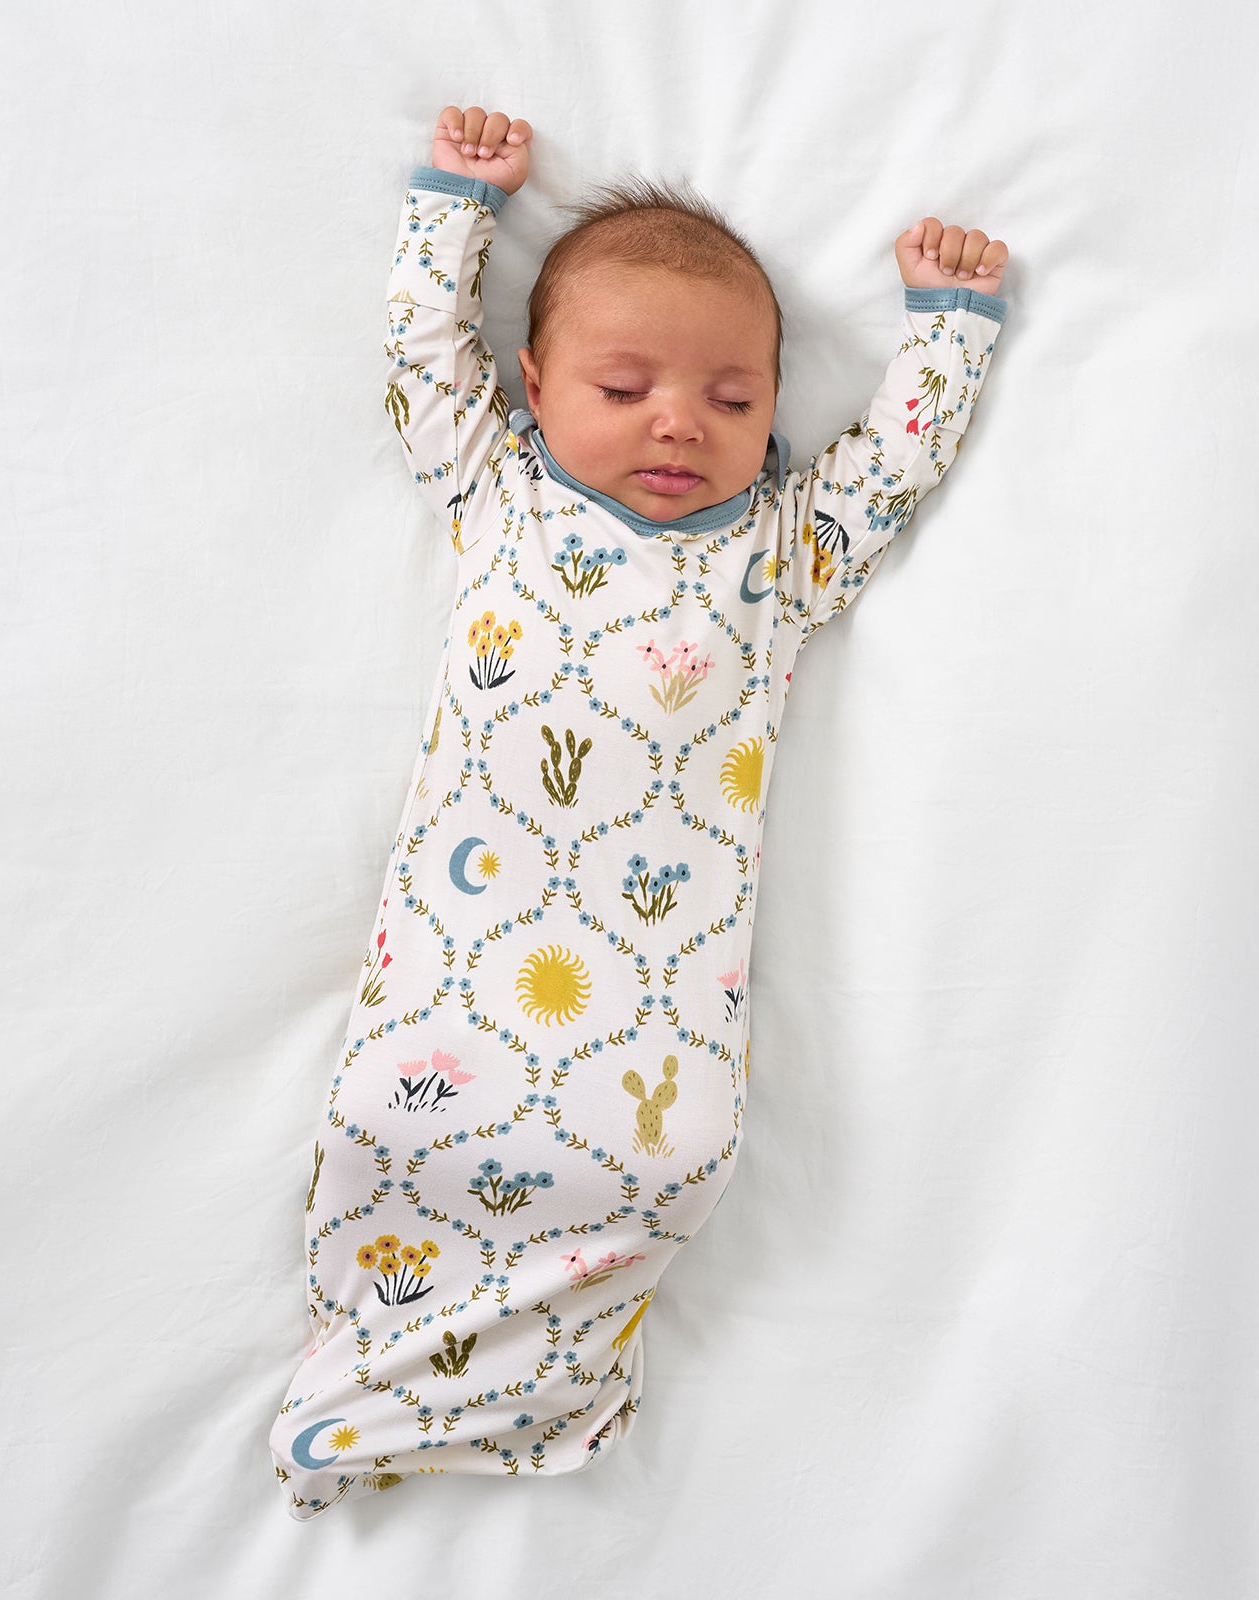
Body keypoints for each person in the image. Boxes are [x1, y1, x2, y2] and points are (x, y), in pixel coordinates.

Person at [270, 105, 1009, 1520]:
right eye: (627, 387)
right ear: (536, 387)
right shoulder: (503, 499)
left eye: (737, 403)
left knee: (661, 1168)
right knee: (389, 1125)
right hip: (466, 955)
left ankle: (549, 1390)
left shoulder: (782, 554)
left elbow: (889, 474)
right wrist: (456, 208)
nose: (681, 419)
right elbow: (425, 363)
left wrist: (951, 329)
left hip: (656, 988)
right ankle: (370, 1369)